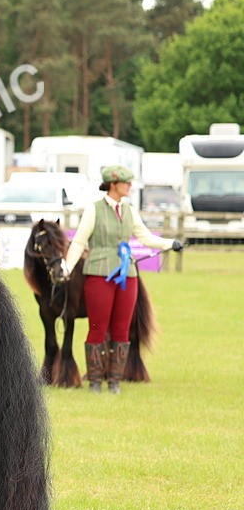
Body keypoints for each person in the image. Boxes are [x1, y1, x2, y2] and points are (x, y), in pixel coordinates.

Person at [60, 165, 183, 394]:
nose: (130, 186)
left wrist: (169, 243)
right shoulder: (93, 210)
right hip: (98, 274)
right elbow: (78, 241)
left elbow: (145, 237)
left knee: (122, 329)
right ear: (113, 185)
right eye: (126, 182)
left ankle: (115, 381)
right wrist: (67, 267)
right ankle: (95, 381)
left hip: (128, 275)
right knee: (97, 327)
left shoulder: (129, 210)